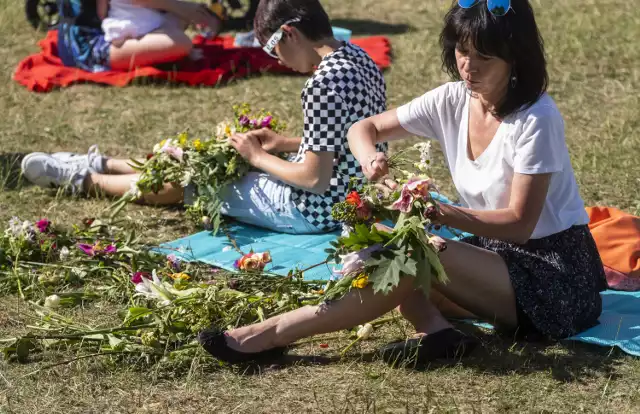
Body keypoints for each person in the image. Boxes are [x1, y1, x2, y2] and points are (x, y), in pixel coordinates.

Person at [195, 0, 608, 367]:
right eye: (462, 52)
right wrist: (372, 158)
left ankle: (269, 334)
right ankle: (438, 332)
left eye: (485, 57)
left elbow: (519, 224)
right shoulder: (453, 98)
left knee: (410, 252)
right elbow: (364, 128)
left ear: (515, 59)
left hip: (555, 277)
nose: (469, 67)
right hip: (494, 257)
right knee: (378, 238)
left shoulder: (537, 118)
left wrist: (432, 211)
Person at [22, 0, 387, 235]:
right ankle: (106, 163)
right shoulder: (357, 58)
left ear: (289, 33)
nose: (279, 62)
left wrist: (258, 158)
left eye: (275, 51)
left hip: (316, 210)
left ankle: (85, 179)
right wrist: (284, 144)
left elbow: (314, 178)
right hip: (351, 192)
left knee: (190, 182)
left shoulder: (321, 84)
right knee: (207, 160)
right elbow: (346, 137)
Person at [55, 0, 221, 72]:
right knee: (182, 43)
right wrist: (182, 8)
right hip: (87, 48)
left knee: (177, 21)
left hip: (101, 28)